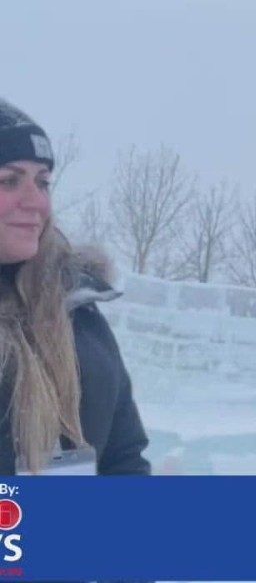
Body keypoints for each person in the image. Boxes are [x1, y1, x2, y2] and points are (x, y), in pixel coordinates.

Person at [0, 97, 150, 476]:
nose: (37, 202)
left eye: (43, 182)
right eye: (9, 180)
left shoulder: (77, 308)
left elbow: (123, 454)